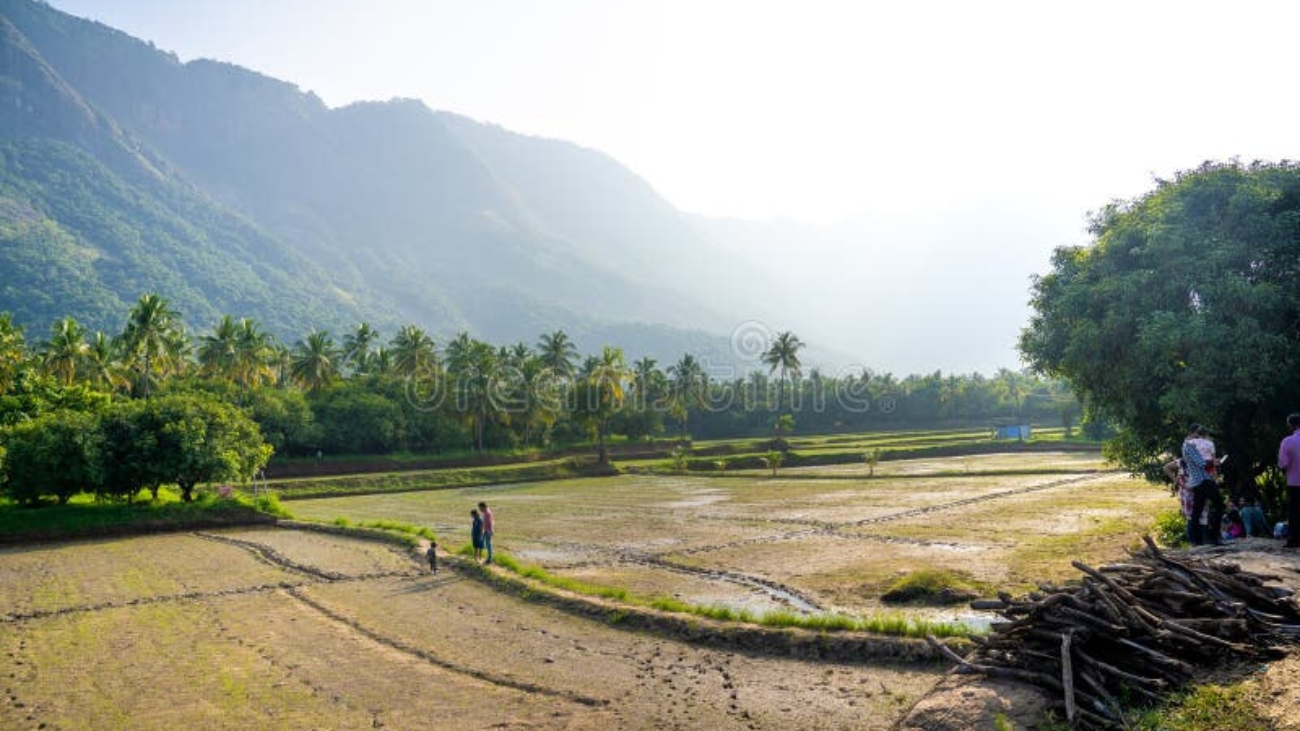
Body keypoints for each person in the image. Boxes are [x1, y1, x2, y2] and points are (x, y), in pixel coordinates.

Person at [1183, 423, 1224, 545]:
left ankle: (1197, 540)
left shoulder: (1190, 445)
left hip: (1198, 480)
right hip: (1202, 479)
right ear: (1194, 433)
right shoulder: (1189, 446)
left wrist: (1211, 463)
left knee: (1197, 510)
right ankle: (1213, 537)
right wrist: (1214, 462)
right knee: (1219, 505)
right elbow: (1201, 463)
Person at [1277, 413, 1300, 548]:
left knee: (1295, 510)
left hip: (1295, 481)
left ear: (1291, 425)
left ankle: (1294, 540)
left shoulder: (1287, 441)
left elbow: (1283, 463)